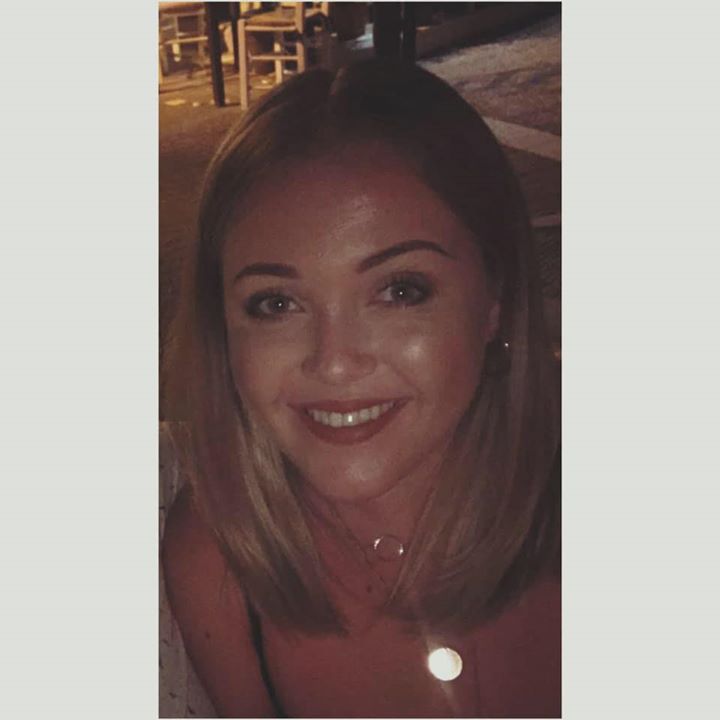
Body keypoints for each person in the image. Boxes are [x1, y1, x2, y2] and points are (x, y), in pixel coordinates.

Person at [162, 58, 560, 718]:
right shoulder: (218, 558)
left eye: (400, 291)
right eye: (275, 304)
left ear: (494, 298)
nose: (336, 363)